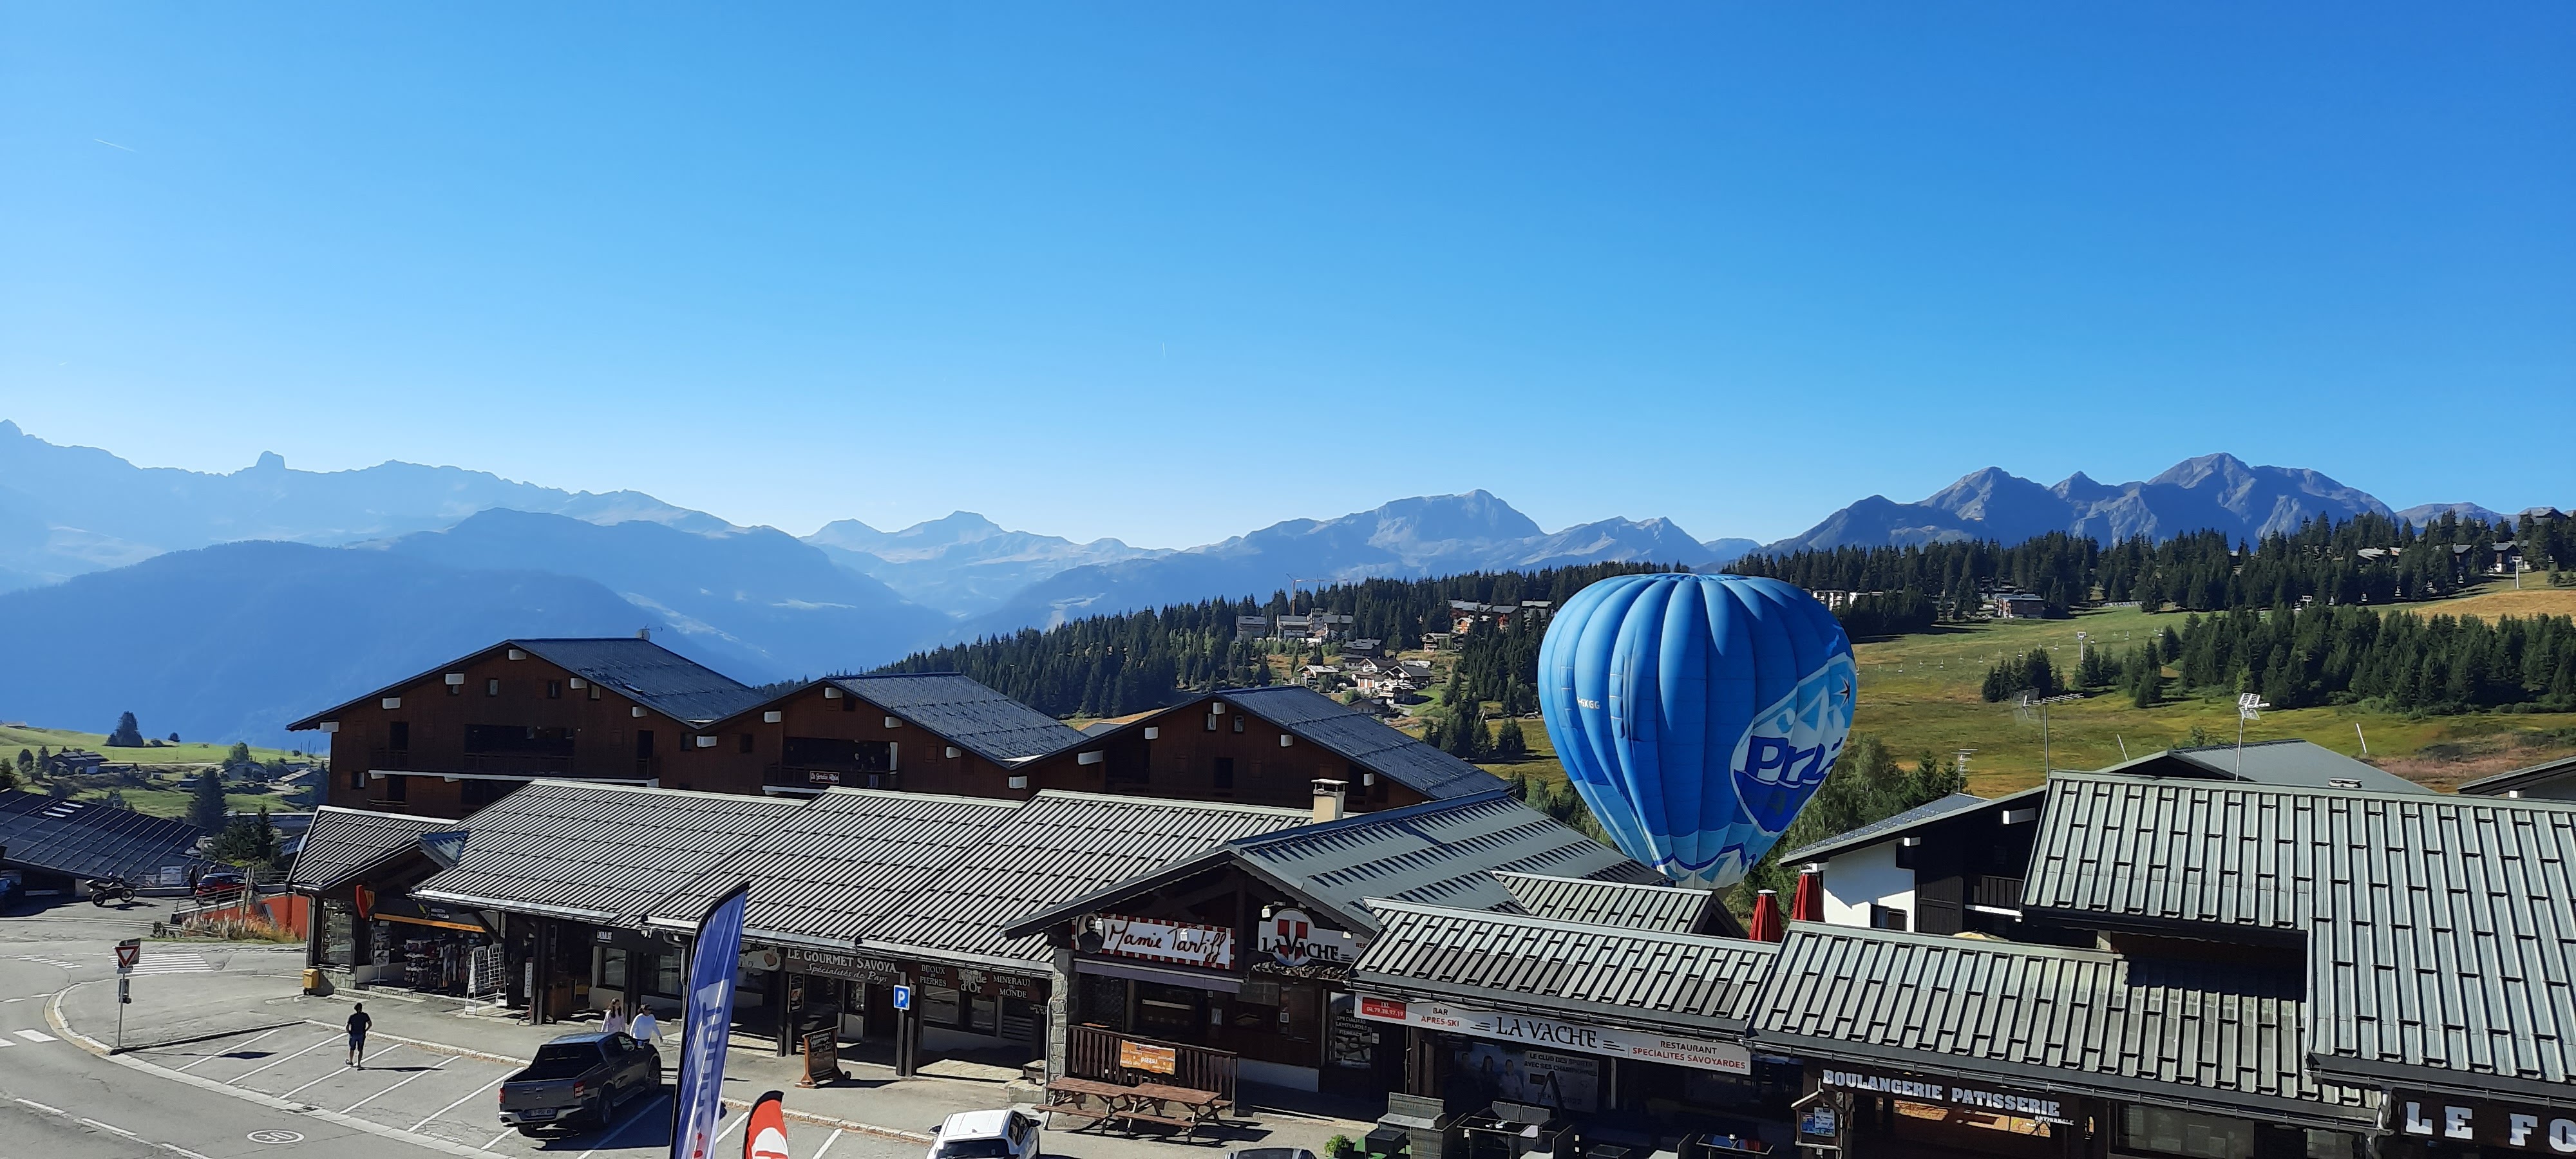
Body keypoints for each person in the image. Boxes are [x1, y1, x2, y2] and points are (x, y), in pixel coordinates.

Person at [346, 1003, 372, 1069]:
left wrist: (349, 1032)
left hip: (353, 1035)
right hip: (361, 1034)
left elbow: (347, 1027)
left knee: (352, 1049)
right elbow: (370, 1024)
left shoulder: (352, 1017)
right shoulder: (365, 1015)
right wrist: (366, 1030)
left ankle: (351, 1061)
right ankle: (359, 1064)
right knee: (360, 1049)